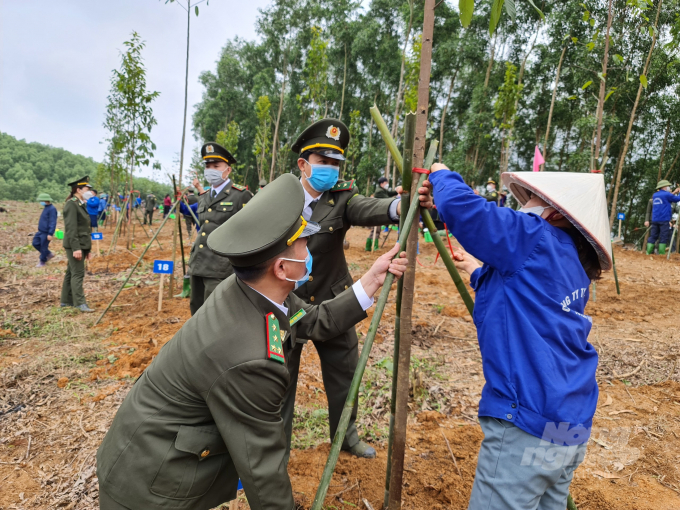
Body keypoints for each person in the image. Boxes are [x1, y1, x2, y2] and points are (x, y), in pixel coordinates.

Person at [96, 173, 408, 510]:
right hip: (150, 487)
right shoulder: (251, 357)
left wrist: (371, 281)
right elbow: (263, 471)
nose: (311, 248)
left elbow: (311, 321)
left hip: (153, 454)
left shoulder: (253, 289)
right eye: (304, 243)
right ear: (282, 267)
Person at [421, 165, 611, 510]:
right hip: (569, 425)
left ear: (553, 212)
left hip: (528, 423)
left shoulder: (534, 234)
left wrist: (440, 173)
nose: (524, 204)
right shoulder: (570, 259)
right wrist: (474, 271)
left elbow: (465, 211)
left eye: (533, 198)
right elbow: (530, 299)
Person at [282, 118, 432, 459]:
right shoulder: (280, 199)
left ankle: (345, 437)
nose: (331, 170)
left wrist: (402, 204)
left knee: (344, 376)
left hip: (336, 302)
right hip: (286, 303)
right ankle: (279, 445)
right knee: (280, 379)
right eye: (323, 162)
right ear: (303, 164)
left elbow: (374, 209)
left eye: (336, 163)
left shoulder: (341, 199)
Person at [178, 142, 253, 314]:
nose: (211, 169)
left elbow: (249, 230)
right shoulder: (203, 197)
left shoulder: (240, 195)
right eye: (208, 166)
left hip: (221, 267)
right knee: (196, 312)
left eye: (216, 166)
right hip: (198, 264)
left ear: (227, 170)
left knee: (216, 314)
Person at [61, 176, 95, 312]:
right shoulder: (72, 204)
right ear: (79, 190)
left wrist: (88, 249)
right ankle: (80, 303)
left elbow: (85, 229)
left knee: (71, 272)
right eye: (87, 189)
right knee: (78, 274)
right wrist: (76, 248)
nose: (90, 192)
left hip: (82, 244)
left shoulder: (80, 204)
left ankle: (65, 301)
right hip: (75, 245)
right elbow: (71, 228)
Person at [645, 179, 680, 255]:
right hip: (664, 220)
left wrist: (674, 192)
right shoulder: (667, 195)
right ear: (664, 187)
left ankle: (648, 253)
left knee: (653, 236)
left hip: (655, 219)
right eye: (667, 186)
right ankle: (661, 254)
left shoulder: (655, 195)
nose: (668, 187)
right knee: (663, 236)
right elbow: (677, 199)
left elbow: (667, 199)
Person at [33, 193, 57, 267]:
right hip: (40, 231)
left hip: (46, 232)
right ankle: (48, 254)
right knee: (35, 243)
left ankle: (42, 261)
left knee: (43, 247)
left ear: (46, 200)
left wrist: (50, 233)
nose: (41, 202)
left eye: (41, 200)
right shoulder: (46, 207)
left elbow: (53, 222)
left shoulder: (52, 209)